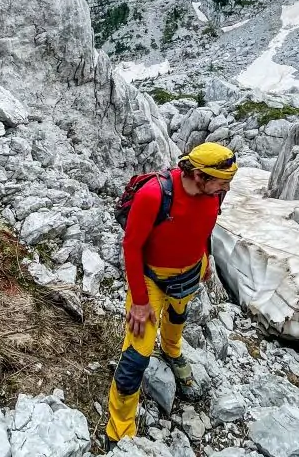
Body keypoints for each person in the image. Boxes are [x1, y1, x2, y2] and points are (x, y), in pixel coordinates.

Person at [104, 142, 237, 447]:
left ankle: (172, 350)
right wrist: (139, 302)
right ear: (199, 176)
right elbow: (132, 246)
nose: (227, 188)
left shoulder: (214, 192)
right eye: (222, 182)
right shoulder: (154, 195)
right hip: (151, 280)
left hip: (190, 271)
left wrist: (205, 257)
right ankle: (119, 431)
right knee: (136, 356)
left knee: (179, 316)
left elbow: (205, 225)